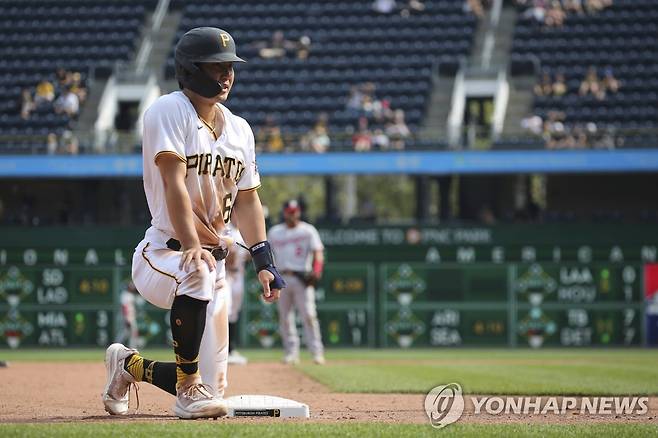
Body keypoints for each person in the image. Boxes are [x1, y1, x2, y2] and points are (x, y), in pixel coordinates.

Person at [101, 27, 286, 420]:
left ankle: (128, 366)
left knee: (215, 394)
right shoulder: (168, 110)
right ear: (188, 69)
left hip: (212, 262)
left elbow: (250, 199)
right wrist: (190, 242)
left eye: (231, 67)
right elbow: (173, 184)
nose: (227, 75)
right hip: (164, 253)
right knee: (198, 272)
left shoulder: (240, 129)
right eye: (217, 66)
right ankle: (187, 389)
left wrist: (263, 260)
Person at [268, 199, 325, 365]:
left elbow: (318, 252)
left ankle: (316, 352)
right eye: (290, 211)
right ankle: (291, 352)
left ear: (298, 212)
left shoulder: (308, 230)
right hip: (281, 277)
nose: (292, 214)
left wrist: (317, 270)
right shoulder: (275, 232)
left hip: (301, 277)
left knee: (309, 314)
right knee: (285, 317)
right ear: (284, 212)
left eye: (295, 211)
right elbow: (268, 254)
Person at [225, 228, 250, 365]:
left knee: (234, 312)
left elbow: (248, 256)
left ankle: (231, 350)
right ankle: (224, 351)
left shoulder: (242, 232)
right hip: (225, 274)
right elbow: (230, 258)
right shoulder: (227, 229)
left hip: (239, 274)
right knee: (225, 311)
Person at [117, 280, 140, 349]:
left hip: (130, 316)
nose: (132, 288)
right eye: (131, 287)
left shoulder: (131, 295)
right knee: (132, 332)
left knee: (125, 333)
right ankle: (132, 348)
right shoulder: (125, 295)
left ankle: (116, 345)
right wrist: (127, 319)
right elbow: (124, 307)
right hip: (127, 316)